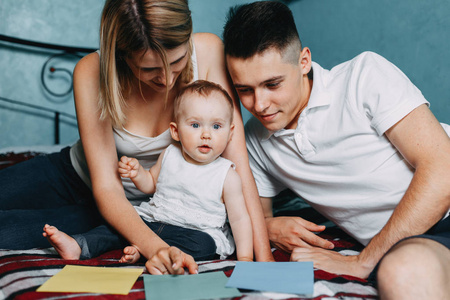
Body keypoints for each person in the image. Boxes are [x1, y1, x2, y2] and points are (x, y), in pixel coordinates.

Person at [0, 0, 273, 275]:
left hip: (138, 210)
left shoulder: (210, 51)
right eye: (149, 69)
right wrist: (157, 250)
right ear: (122, 53)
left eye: (177, 61)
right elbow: (106, 186)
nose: (166, 80)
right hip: (79, 177)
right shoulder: (90, 71)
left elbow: (239, 166)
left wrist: (265, 261)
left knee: (8, 233)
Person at [223, 1, 450, 299]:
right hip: (417, 242)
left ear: (304, 62)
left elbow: (444, 170)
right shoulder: (254, 138)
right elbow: (259, 219)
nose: (260, 104)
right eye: (245, 90)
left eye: (272, 84)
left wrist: (362, 261)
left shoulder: (363, 76)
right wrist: (270, 226)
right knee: (404, 273)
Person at [43, 80, 253, 265]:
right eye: (195, 125)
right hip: (153, 220)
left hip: (194, 233)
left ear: (230, 132)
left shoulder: (227, 175)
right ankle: (79, 245)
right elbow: (151, 183)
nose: (206, 134)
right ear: (176, 131)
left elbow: (240, 220)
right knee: (117, 225)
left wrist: (245, 258)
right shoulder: (170, 155)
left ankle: (143, 251)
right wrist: (137, 174)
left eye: (217, 126)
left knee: (204, 245)